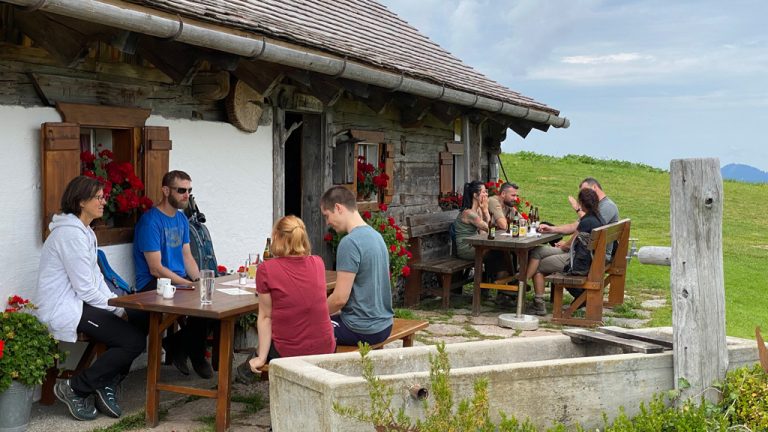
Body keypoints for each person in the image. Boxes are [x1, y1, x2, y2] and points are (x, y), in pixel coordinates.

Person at [35, 176, 145, 421]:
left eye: (103, 197)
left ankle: (105, 382)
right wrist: (117, 309)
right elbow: (85, 289)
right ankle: (75, 388)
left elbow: (95, 279)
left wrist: (119, 303)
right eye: (98, 197)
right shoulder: (70, 236)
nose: (104, 202)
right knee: (133, 341)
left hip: (83, 303)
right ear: (81, 201)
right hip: (66, 306)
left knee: (142, 318)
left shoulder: (85, 232)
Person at [235, 215, 336, 383]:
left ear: (277, 237)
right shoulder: (318, 263)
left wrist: (261, 357)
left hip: (290, 353)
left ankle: (243, 374)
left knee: (262, 347)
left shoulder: (266, 269)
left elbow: (266, 317)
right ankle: (245, 372)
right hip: (326, 347)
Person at [131, 170, 212, 378]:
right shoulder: (151, 221)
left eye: (189, 190)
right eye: (181, 190)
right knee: (198, 300)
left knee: (211, 299)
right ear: (166, 191)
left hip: (176, 282)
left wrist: (197, 280)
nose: (187, 195)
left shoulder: (181, 220)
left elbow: (187, 257)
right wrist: (187, 284)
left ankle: (178, 344)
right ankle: (193, 354)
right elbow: (155, 268)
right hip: (153, 284)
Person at [525, 184, 615, 315]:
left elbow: (570, 244)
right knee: (537, 251)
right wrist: (564, 245)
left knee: (538, 267)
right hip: (584, 256)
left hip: (577, 261)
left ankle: (536, 300)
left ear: (582, 203)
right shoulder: (597, 218)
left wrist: (563, 245)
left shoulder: (586, 221)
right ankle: (521, 283)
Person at [320, 186, 394, 346]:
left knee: (305, 328)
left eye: (327, 216)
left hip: (362, 329)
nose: (327, 222)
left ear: (338, 208)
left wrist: (314, 313)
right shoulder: (376, 236)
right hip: (385, 325)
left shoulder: (350, 242)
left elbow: (340, 298)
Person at [452, 181, 507, 285]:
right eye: (483, 192)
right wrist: (486, 211)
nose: (486, 194)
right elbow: (491, 230)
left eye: (486, 192)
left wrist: (483, 211)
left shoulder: (477, 211)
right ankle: (498, 285)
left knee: (500, 253)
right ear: (475, 195)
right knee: (498, 254)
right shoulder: (469, 213)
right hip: (466, 249)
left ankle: (496, 285)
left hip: (475, 245)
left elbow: (483, 234)